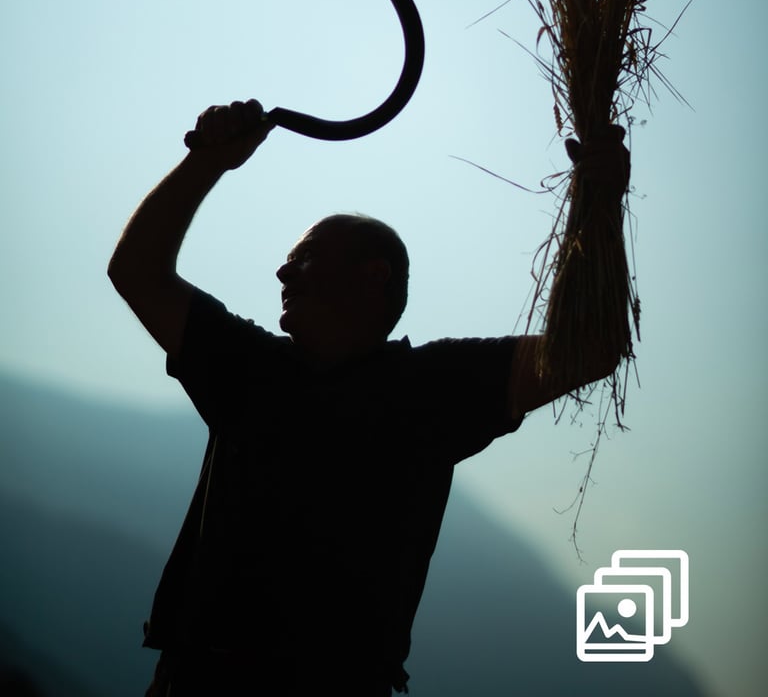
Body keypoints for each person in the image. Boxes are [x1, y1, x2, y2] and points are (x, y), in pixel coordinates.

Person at [108, 99, 627, 696]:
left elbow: (591, 346)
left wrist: (601, 201)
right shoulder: (247, 367)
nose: (282, 273)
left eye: (302, 258)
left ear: (372, 275)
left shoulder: (434, 387)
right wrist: (207, 163)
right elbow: (136, 269)